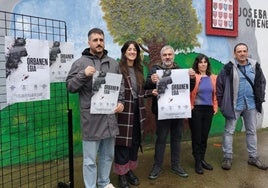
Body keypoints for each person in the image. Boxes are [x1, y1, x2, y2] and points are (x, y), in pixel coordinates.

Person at [66, 28, 125, 188]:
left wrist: (121, 103)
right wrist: (83, 74)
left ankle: (104, 182)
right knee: (90, 160)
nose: (99, 43)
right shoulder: (80, 63)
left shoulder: (113, 63)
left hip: (109, 118)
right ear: (89, 42)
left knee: (108, 155)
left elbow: (121, 86)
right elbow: (70, 87)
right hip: (91, 120)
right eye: (95, 40)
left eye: (101, 39)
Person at [144, 45, 196, 180]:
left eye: (170, 54)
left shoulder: (180, 70)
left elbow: (189, 88)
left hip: (178, 112)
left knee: (176, 139)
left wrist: (192, 78)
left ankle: (176, 165)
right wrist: (152, 80)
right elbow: (146, 85)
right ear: (161, 57)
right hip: (162, 112)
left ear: (173, 56)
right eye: (165, 55)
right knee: (160, 139)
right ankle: (157, 166)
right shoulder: (155, 69)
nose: (167, 57)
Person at [216, 43, 267, 171]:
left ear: (247, 52)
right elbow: (219, 86)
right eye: (239, 51)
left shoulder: (255, 66)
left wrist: (260, 97)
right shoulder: (227, 68)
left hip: (251, 105)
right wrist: (222, 104)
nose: (242, 53)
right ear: (235, 54)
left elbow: (262, 82)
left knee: (251, 131)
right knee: (229, 131)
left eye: (244, 51)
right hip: (234, 105)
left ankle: (253, 157)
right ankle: (227, 157)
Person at [114, 41, 151, 188]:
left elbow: (139, 93)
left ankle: (129, 170)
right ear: (124, 52)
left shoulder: (139, 69)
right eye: (129, 49)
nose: (132, 52)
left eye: (134, 50)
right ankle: (121, 175)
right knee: (123, 143)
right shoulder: (118, 69)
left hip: (138, 111)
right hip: (123, 111)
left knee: (135, 141)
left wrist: (151, 92)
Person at [189, 53, 218, 174]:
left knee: (204, 136)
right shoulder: (193, 76)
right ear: (197, 64)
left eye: (205, 62)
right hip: (196, 110)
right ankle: (197, 162)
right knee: (197, 137)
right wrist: (190, 107)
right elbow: (187, 92)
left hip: (208, 110)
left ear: (207, 64)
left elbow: (215, 94)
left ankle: (202, 159)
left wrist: (215, 107)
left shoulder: (213, 77)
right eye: (200, 62)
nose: (203, 64)